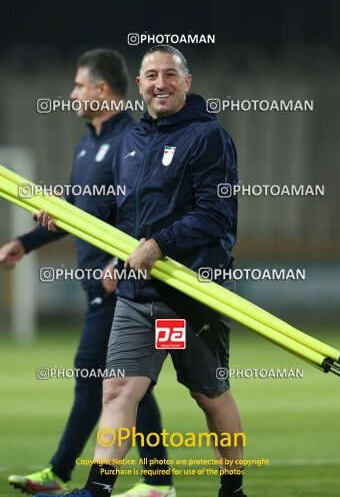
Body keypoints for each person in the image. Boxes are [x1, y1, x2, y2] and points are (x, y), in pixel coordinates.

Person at [33, 45, 246, 497]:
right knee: (117, 391)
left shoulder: (209, 137)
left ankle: (232, 490)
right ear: (141, 84)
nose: (161, 83)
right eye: (152, 75)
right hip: (138, 296)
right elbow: (115, 209)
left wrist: (160, 243)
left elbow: (216, 215)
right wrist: (64, 214)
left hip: (187, 295)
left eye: (171, 74)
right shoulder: (132, 140)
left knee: (208, 395)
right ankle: (97, 489)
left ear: (187, 82)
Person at [0, 49, 175, 497]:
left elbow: (149, 206)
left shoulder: (131, 138)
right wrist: (24, 243)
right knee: (130, 386)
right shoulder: (88, 141)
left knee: (96, 375)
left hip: (122, 283)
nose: (73, 93)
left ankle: (61, 473)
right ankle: (158, 483)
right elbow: (76, 213)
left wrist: (122, 259)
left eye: (79, 85)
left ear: (101, 88)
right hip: (99, 283)